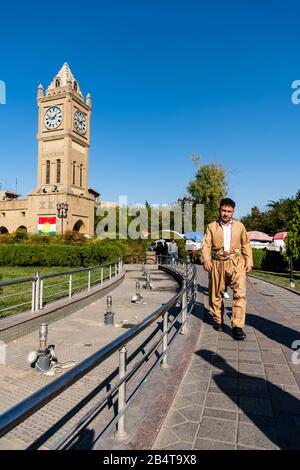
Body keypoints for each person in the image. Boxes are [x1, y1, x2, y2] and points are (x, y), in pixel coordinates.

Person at [201, 198, 253, 340]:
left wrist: (249, 261)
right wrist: (206, 258)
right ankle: (218, 320)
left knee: (240, 294)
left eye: (229, 211)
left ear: (233, 212)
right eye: (224, 210)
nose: (226, 214)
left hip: (237, 263)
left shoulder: (240, 226)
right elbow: (206, 244)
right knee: (216, 295)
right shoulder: (211, 226)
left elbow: (246, 244)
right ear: (219, 210)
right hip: (218, 263)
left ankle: (237, 327)